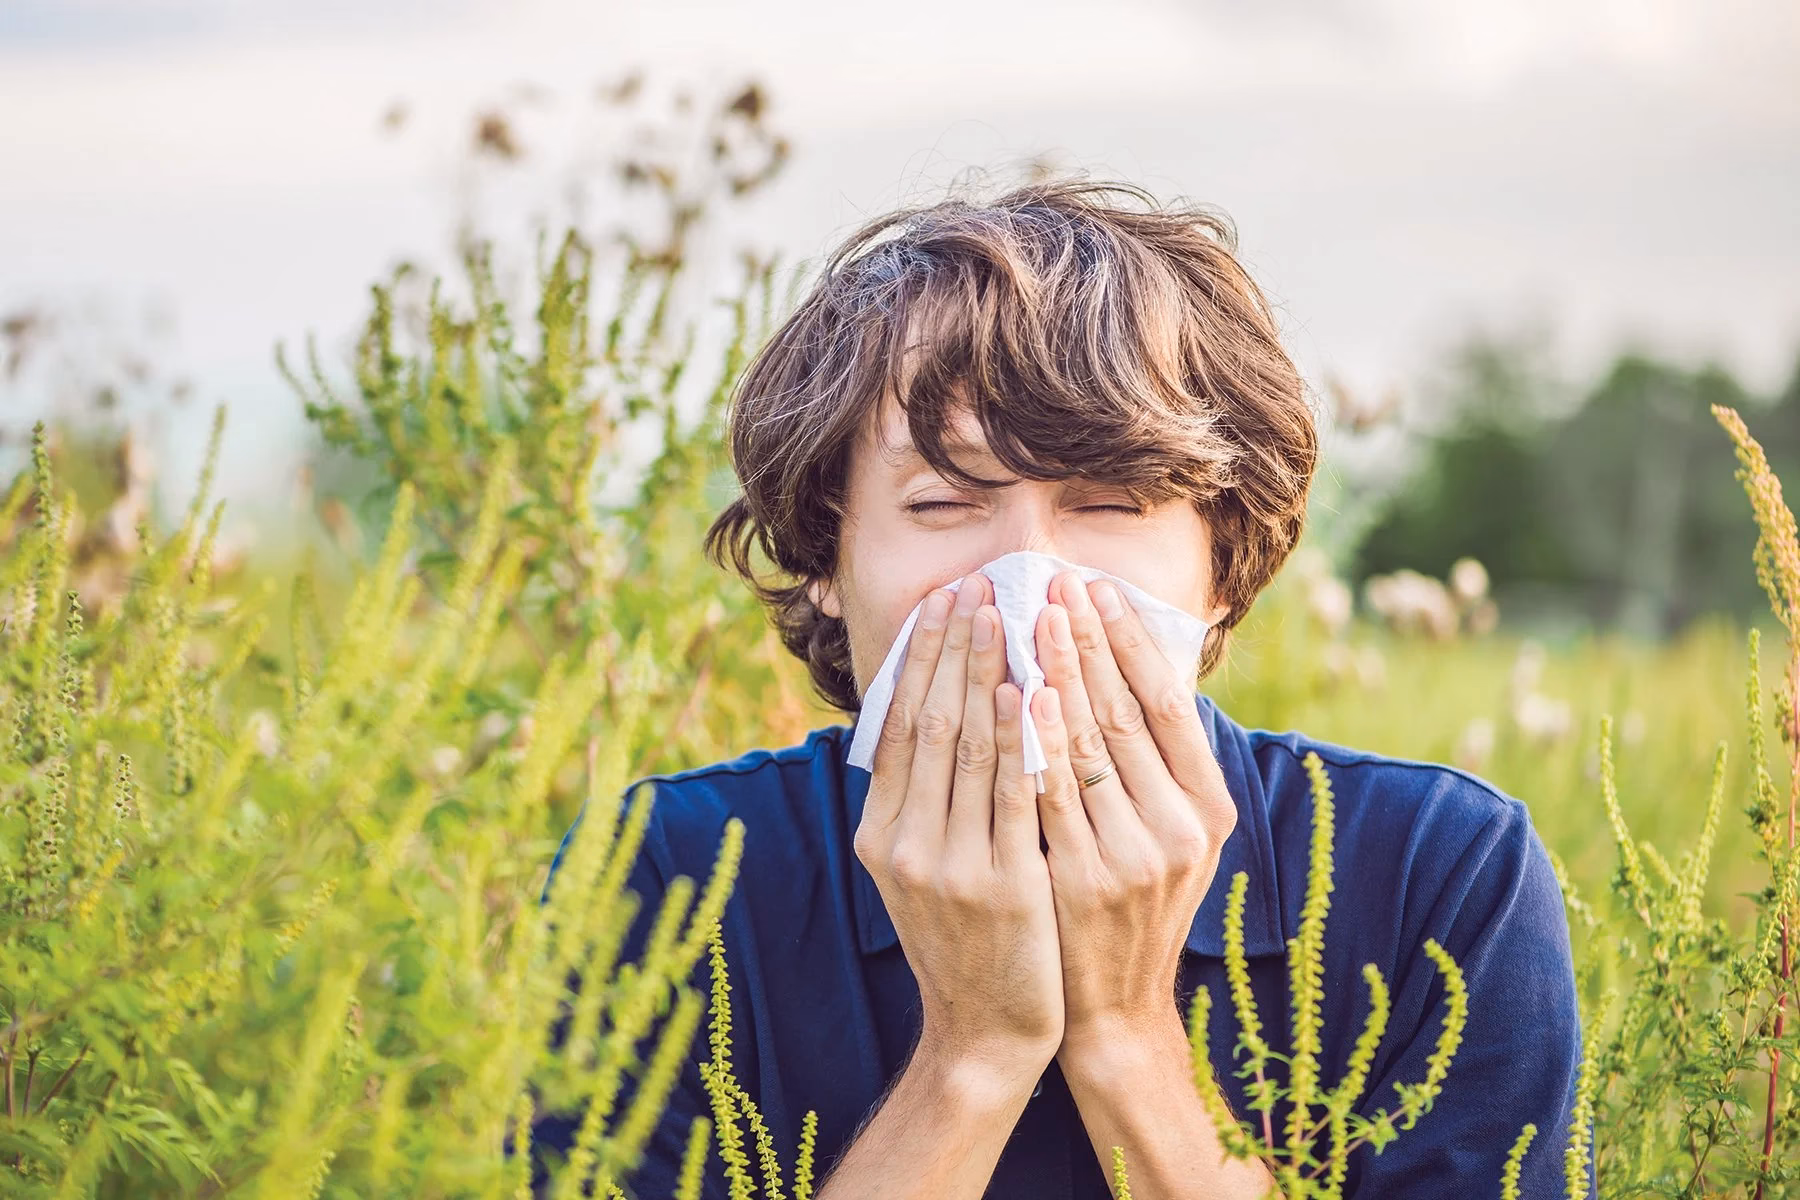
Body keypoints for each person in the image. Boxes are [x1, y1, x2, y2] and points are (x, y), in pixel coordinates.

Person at [537, 179, 1587, 1198]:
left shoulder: (1438, 876)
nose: (1027, 581)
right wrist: (973, 1056)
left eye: (1111, 503)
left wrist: (1125, 1033)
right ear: (825, 559)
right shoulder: (667, 878)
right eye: (943, 502)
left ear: (1223, 565)